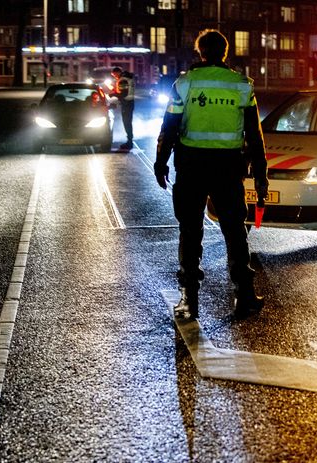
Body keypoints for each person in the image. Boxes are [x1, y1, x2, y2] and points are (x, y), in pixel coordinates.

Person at [154, 29, 269, 320]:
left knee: (190, 232)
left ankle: (189, 301)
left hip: (192, 166)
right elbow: (254, 135)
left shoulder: (185, 83)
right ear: (225, 52)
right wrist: (261, 174)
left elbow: (169, 126)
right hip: (228, 167)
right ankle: (244, 296)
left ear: (201, 53)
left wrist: (161, 161)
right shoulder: (242, 86)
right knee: (234, 232)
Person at [110, 66, 135, 150]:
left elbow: (123, 94)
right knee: (128, 122)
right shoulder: (127, 78)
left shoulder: (123, 80)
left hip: (126, 104)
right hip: (129, 102)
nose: (114, 76)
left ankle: (130, 142)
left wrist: (113, 94)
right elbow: (124, 91)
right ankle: (130, 141)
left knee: (127, 123)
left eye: (114, 75)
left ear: (117, 72)